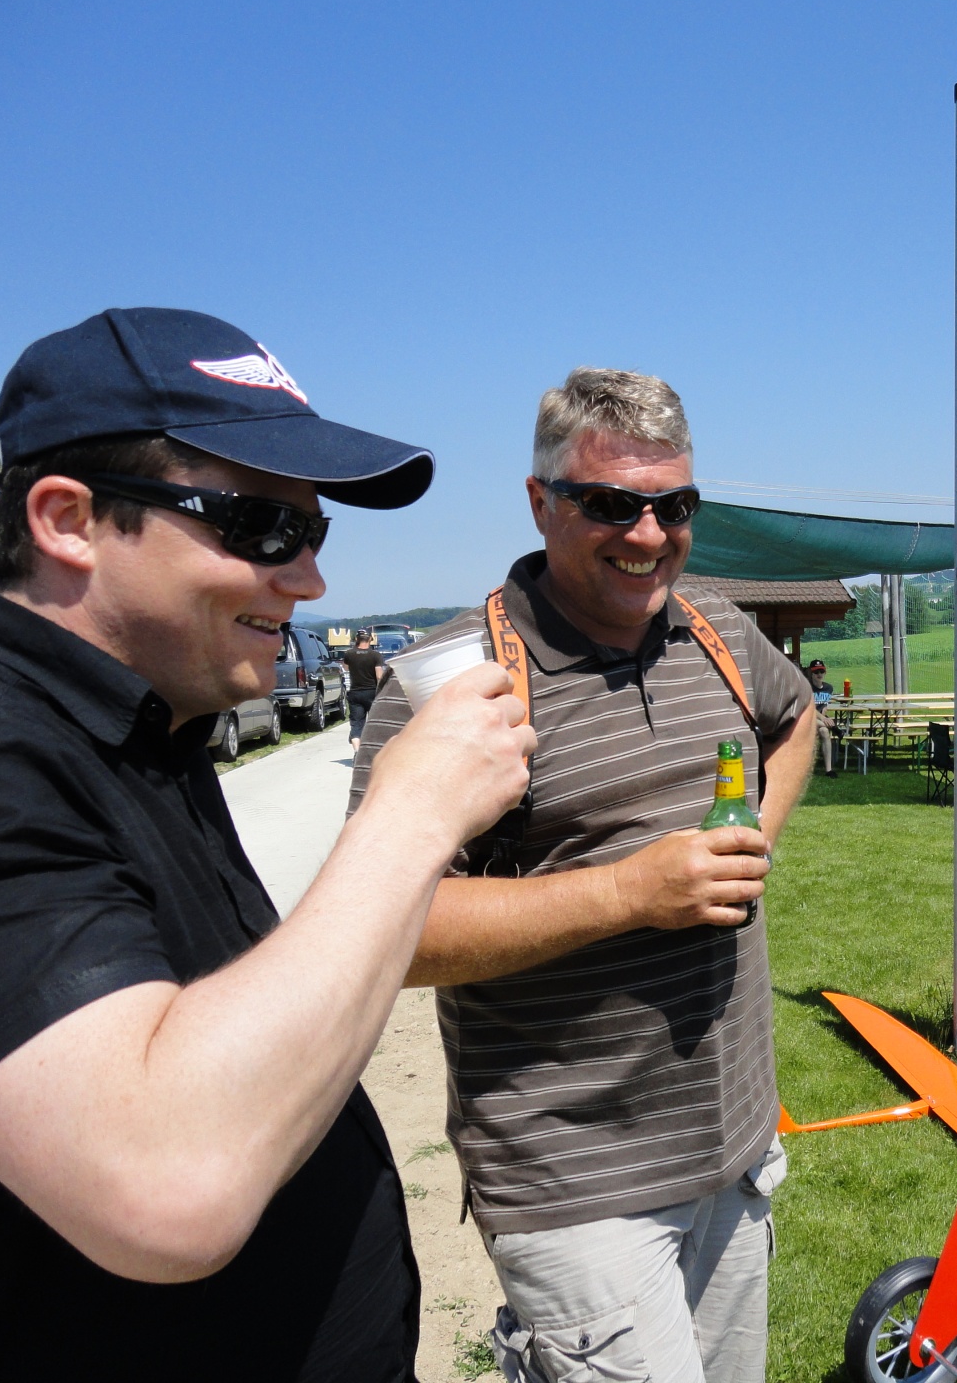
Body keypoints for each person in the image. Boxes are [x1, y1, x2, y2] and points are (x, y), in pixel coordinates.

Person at [0, 308, 535, 1382]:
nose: (310, 580)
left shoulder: (147, 723)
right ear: (67, 520)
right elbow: (168, 1181)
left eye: (317, 534)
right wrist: (415, 811)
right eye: (265, 529)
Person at [349, 366, 815, 1383]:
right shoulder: (461, 681)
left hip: (734, 1149)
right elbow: (387, 932)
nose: (649, 534)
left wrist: (756, 835)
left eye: (675, 506)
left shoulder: (715, 630)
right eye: (610, 504)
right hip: (576, 1184)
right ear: (540, 502)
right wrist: (628, 893)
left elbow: (796, 720)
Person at [343, 627, 387, 744]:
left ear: (356, 639)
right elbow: (379, 676)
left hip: (355, 693)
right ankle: (374, 747)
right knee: (375, 722)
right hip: (372, 693)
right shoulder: (375, 655)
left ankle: (356, 751)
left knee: (356, 725)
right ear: (370, 639)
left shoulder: (349, 654)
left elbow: (345, 668)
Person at [806, 657, 837, 776]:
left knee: (824, 731)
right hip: (807, 719)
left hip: (818, 720)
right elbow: (809, 709)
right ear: (811, 673)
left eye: (821, 671)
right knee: (824, 725)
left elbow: (824, 705)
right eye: (816, 672)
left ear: (825, 672)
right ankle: (835, 728)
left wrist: (824, 714)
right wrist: (824, 719)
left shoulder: (829, 688)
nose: (819, 674)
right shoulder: (806, 688)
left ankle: (829, 770)